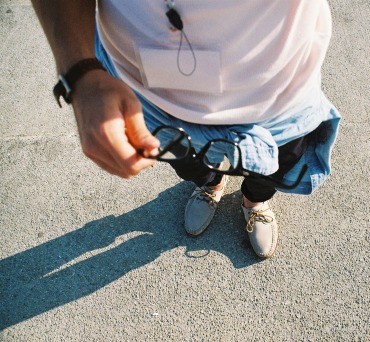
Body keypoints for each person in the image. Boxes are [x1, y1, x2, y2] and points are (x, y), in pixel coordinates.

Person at [31, 0, 341, 258]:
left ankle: (254, 201)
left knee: (273, 168)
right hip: (155, 101)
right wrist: (80, 72)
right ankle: (211, 186)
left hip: (279, 98)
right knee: (189, 164)